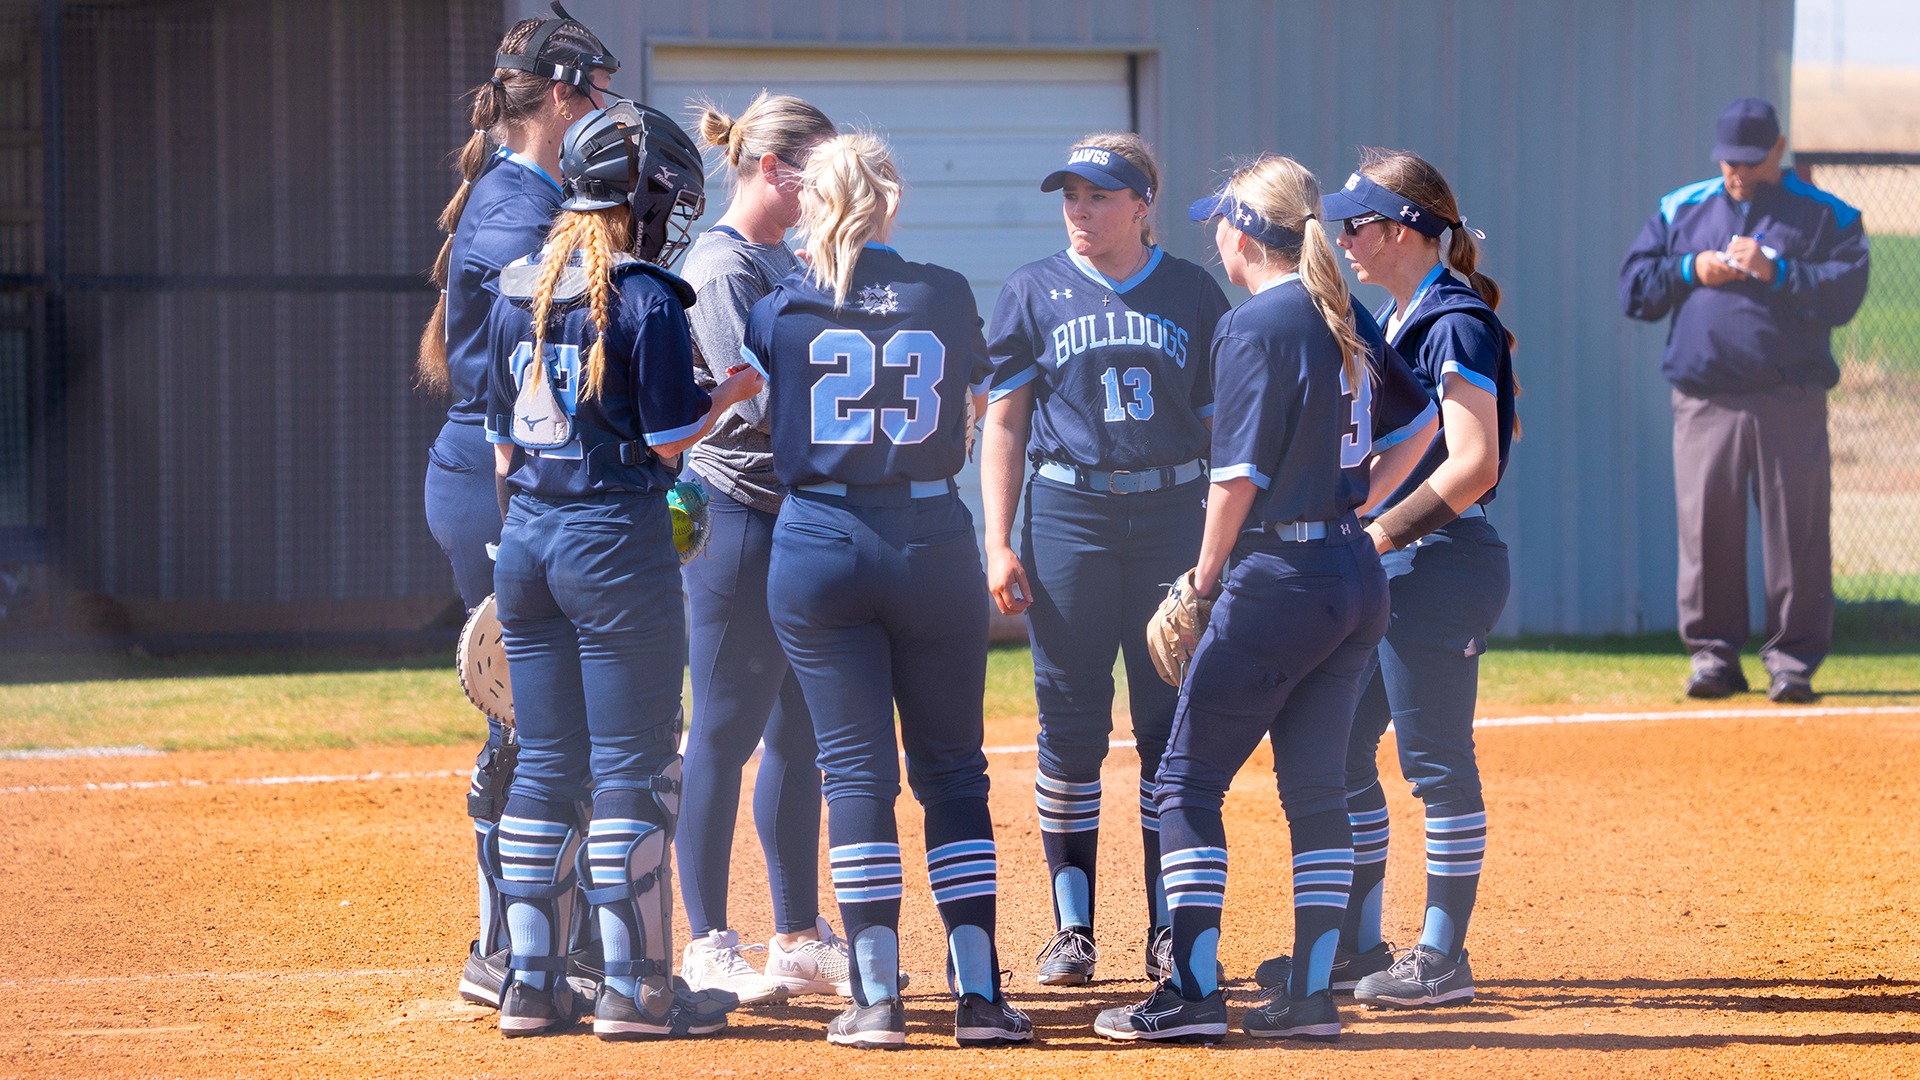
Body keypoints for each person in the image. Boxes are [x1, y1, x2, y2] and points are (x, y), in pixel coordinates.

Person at [1095, 154, 1431, 1045]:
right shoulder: (1339, 310)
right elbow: (1421, 420)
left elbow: (1234, 479)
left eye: (1222, 223)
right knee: (1317, 790)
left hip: (1280, 580)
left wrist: (1202, 582)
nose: (1214, 237)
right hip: (1355, 576)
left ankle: (1194, 995)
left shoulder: (1256, 325)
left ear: (1245, 234)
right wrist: (1362, 494)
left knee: (1185, 783)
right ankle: (1312, 997)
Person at [740, 132, 1032, 1050]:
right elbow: (981, 398)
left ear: (809, 202)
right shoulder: (942, 290)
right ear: (892, 201)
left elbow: (758, 391)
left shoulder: (783, 300)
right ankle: (980, 997)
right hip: (929, 537)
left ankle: (876, 998)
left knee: (855, 772)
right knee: (952, 770)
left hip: (819, 537)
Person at [481, 101, 765, 1039]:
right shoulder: (643, 295)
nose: (673, 213)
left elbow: (500, 443)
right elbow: (674, 439)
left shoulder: (518, 284)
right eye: (668, 197)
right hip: (612, 543)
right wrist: (734, 390)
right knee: (634, 766)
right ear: (637, 196)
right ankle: (636, 989)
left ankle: (529, 983)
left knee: (547, 764)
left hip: (527, 539)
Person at [1261, 149, 1519, 1010]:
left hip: (1440, 564)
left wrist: (1377, 535)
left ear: (1406, 229)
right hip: (1389, 562)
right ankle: (1357, 943)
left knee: (1435, 762)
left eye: (1357, 224)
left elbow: (1475, 463)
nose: (1343, 238)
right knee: (1336, 753)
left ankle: (1443, 958)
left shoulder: (1452, 319)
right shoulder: (1400, 311)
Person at [980, 134, 1229, 986]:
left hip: (1168, 515)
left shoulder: (1195, 293)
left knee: (1167, 729)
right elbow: (1004, 422)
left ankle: (1166, 928)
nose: (1080, 211)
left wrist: (1214, 550)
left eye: (1099, 195)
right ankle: (1072, 928)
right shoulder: (1033, 290)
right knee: (1072, 725)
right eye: (1070, 196)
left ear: (1143, 203)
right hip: (1071, 514)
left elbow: (1222, 426)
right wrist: (997, 538)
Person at [413, 3, 620, 1011]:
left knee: (540, 724)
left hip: (506, 478)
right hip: (501, 481)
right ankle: (512, 951)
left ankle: (532, 945)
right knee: (537, 722)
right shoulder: (516, 206)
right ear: (568, 92)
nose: (610, 112)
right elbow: (515, 363)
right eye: (601, 93)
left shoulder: (524, 191)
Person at [672, 92, 853, 1007]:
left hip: (799, 515)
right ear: (776, 170)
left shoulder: (786, 256)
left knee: (803, 733)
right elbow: (753, 408)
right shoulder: (720, 266)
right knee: (726, 727)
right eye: (816, 172)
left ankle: (794, 936)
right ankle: (705, 940)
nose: (828, 190)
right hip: (739, 516)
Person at [1620, 97, 1870, 703]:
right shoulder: (1682, 208)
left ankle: (1793, 664)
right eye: (1729, 160)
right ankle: (1714, 659)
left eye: (1751, 160)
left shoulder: (1827, 216)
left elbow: (1846, 293)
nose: (1738, 171)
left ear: (1778, 152)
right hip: (1705, 400)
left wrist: (1778, 270)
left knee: (1797, 535)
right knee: (1706, 533)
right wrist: (1689, 270)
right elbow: (1635, 288)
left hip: (1790, 398)